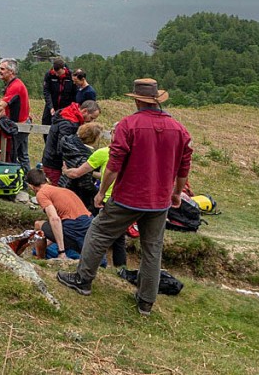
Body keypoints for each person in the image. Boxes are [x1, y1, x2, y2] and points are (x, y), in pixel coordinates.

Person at [58, 79, 193, 317]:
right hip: (159, 200)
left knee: (98, 232)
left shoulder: (129, 125)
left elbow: (114, 164)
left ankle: (82, 280)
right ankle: (145, 302)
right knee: (152, 249)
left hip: (128, 197)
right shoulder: (179, 129)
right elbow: (184, 166)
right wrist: (176, 193)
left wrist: (101, 193)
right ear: (157, 100)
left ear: (137, 99)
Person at [63, 122, 127, 269]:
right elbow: (108, 173)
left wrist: (66, 171)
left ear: (112, 133)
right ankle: (121, 269)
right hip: (124, 201)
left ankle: (92, 264)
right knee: (119, 238)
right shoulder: (133, 154)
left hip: (105, 200)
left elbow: (77, 173)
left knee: (95, 232)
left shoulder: (104, 152)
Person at [24, 169, 93, 260]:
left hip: (76, 228)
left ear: (31, 186)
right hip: (90, 226)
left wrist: (61, 252)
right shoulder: (62, 190)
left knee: (38, 225)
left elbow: (55, 219)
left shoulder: (41, 193)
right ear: (46, 180)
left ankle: (40, 259)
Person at [41, 99, 100, 184]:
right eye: (91, 118)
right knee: (57, 192)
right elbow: (63, 147)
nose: (91, 121)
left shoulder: (67, 114)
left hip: (51, 160)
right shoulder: (69, 124)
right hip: (54, 164)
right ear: (85, 111)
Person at [56, 121, 102, 209]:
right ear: (94, 138)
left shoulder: (69, 144)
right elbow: (85, 183)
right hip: (77, 195)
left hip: (63, 183)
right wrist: (96, 192)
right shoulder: (85, 157)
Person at [42, 57, 75, 125]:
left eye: (59, 72)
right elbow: (46, 91)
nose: (57, 74)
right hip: (52, 105)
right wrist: (50, 107)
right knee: (46, 122)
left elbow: (74, 93)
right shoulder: (49, 75)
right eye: (55, 72)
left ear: (64, 69)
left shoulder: (71, 76)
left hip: (66, 106)